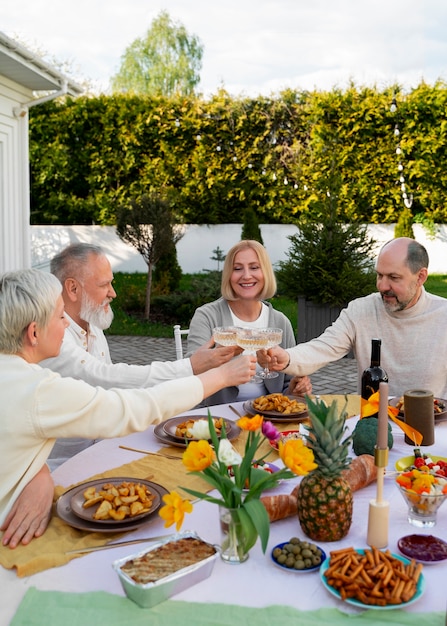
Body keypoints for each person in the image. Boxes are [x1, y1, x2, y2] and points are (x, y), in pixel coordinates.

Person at [0, 269, 255, 549]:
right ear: (34, 333)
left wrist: (39, 473)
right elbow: (133, 409)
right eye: (61, 316)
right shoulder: (39, 389)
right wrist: (220, 377)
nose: (66, 325)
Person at [40, 243, 236, 469]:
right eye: (104, 285)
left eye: (111, 283)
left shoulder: (93, 326)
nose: (113, 293)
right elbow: (105, 377)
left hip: (104, 450)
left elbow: (116, 392)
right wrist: (190, 367)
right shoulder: (54, 336)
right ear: (73, 289)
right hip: (59, 467)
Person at [261, 237, 447, 399]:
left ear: (421, 277)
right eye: (379, 275)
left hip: (432, 429)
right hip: (372, 423)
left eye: (393, 277)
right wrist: (286, 358)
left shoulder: (443, 315)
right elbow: (323, 347)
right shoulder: (361, 309)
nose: (382, 286)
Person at [187, 239, 312, 406]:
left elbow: (286, 386)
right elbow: (190, 374)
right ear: (229, 275)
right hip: (218, 419)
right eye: (238, 268)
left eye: (254, 267)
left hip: (267, 417)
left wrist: (295, 390)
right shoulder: (207, 316)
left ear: (265, 272)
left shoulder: (280, 323)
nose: (246, 275)